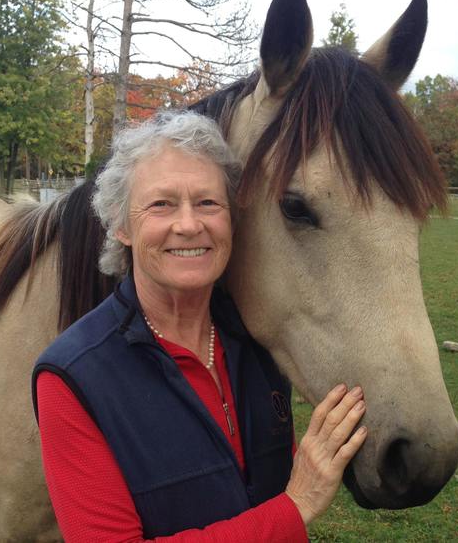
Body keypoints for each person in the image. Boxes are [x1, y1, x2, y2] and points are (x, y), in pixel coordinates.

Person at [32, 111, 367, 542]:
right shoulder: (73, 378)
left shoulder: (258, 340)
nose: (189, 225)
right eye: (161, 204)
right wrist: (296, 505)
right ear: (121, 225)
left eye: (208, 203)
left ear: (232, 220)